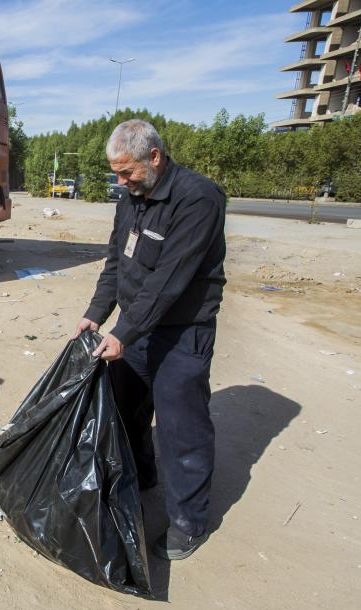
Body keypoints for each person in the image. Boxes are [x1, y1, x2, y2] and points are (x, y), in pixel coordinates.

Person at [74, 119, 226, 561]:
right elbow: (116, 263)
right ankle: (141, 477)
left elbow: (170, 279)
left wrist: (123, 331)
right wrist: (95, 314)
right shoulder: (131, 198)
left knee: (183, 432)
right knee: (124, 414)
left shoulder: (198, 198)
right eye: (116, 174)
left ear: (154, 157)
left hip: (181, 333)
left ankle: (189, 522)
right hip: (135, 330)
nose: (120, 182)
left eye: (127, 172)